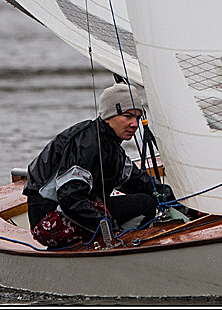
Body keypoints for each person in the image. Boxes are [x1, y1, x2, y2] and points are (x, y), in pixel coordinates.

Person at [23, 80, 171, 248]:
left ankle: (122, 243)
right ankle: (119, 248)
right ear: (109, 116)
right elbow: (70, 198)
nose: (135, 124)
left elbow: (137, 181)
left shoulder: (112, 146)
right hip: (48, 221)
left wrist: (174, 199)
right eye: (127, 116)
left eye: (137, 118)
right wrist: (107, 227)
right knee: (135, 209)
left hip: (73, 211)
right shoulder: (88, 145)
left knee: (145, 202)